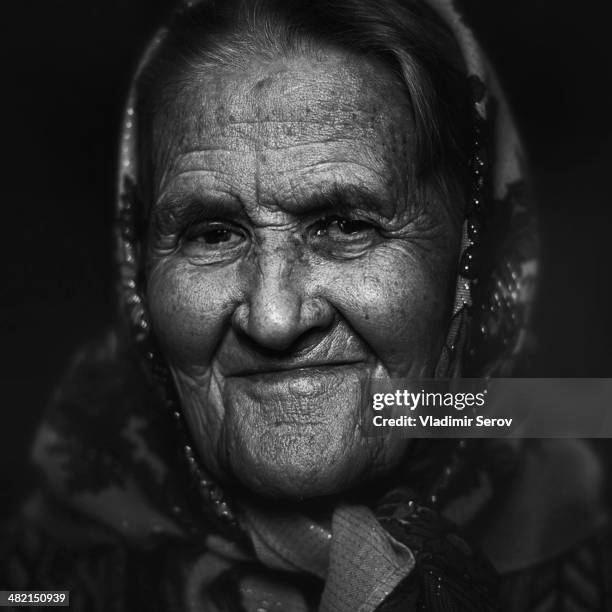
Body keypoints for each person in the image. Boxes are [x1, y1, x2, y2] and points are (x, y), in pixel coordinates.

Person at [2, 0, 610, 610]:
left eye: (346, 225)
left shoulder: (588, 532)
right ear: (138, 269)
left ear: (475, 252)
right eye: (212, 234)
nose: (273, 319)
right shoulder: (36, 578)